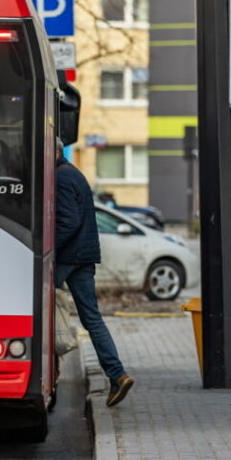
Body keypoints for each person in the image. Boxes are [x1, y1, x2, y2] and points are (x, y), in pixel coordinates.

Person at [55, 138, 134, 407]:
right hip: (83, 255)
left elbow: (68, 221)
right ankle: (118, 375)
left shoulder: (61, 177)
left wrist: (47, 248)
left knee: (33, 303)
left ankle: (41, 361)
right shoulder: (72, 173)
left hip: (69, 256)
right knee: (92, 318)